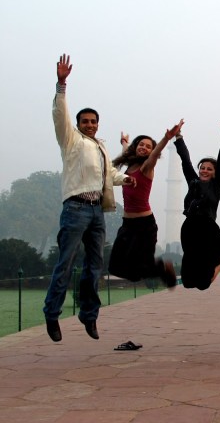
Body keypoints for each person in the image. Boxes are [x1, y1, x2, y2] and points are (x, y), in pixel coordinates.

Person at [44, 54, 135, 342]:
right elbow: (60, 116)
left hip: (97, 211)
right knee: (66, 263)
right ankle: (52, 314)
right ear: (78, 124)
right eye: (85, 121)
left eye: (93, 121)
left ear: (98, 124)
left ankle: (89, 315)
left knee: (95, 266)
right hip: (75, 208)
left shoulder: (100, 147)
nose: (90, 124)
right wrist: (61, 85)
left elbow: (108, 174)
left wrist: (126, 179)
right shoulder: (71, 140)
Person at [108, 120, 184, 288]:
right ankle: (160, 269)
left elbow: (155, 154)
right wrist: (124, 142)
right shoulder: (130, 166)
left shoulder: (146, 167)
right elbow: (127, 152)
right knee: (115, 266)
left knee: (139, 269)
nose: (144, 147)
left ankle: (161, 268)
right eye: (141, 144)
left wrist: (166, 138)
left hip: (144, 227)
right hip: (127, 225)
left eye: (148, 146)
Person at [173, 120, 220, 290]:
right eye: (202, 168)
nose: (205, 170)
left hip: (208, 228)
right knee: (188, 282)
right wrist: (178, 136)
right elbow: (186, 161)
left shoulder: (217, 186)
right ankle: (216, 262)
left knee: (203, 284)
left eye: (209, 169)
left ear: (215, 173)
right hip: (190, 227)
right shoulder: (193, 182)